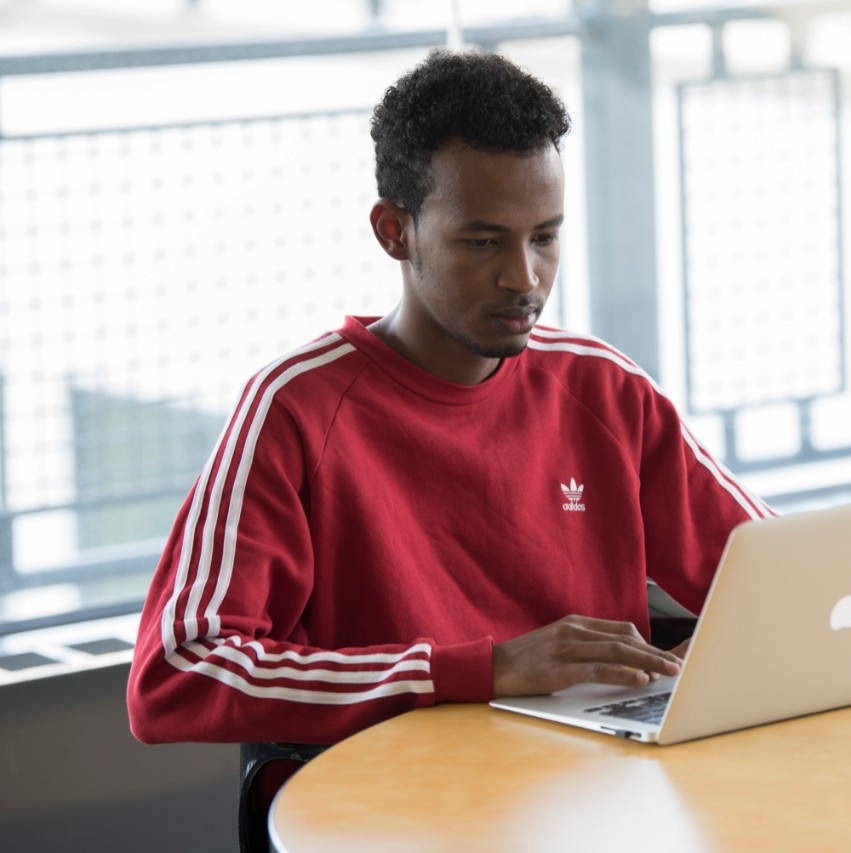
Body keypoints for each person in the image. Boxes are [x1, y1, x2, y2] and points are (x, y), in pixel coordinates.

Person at [127, 48, 771, 748]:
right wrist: (481, 670)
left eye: (545, 237)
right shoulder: (294, 408)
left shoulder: (606, 389)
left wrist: (713, 659)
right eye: (484, 241)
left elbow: (790, 581)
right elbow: (176, 675)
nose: (524, 277)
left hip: (603, 780)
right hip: (403, 794)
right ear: (394, 232)